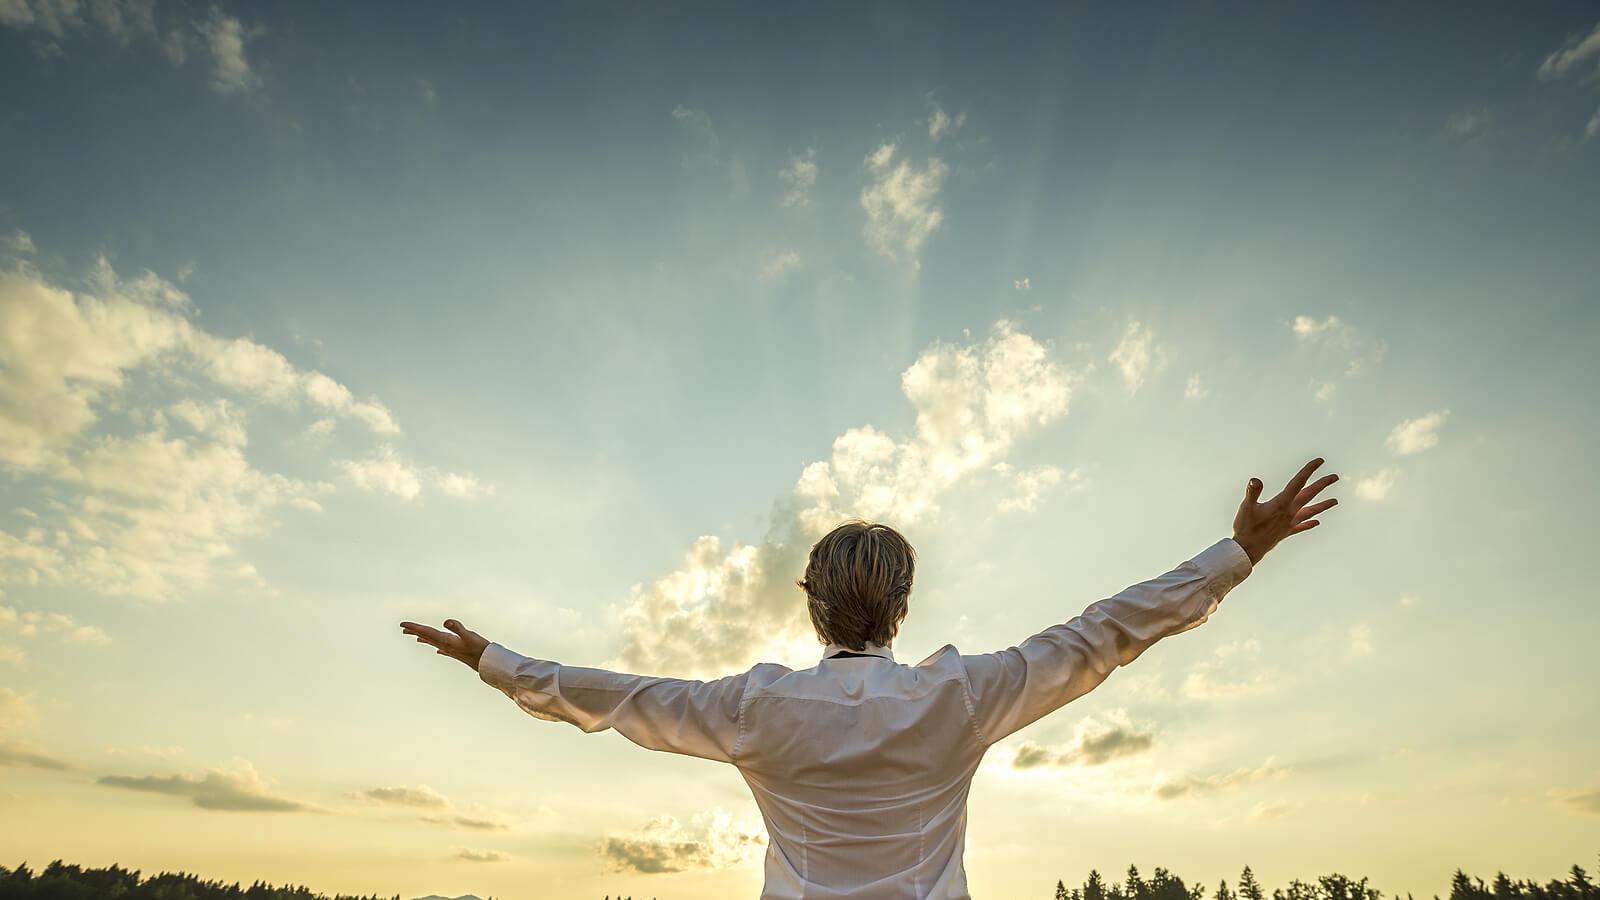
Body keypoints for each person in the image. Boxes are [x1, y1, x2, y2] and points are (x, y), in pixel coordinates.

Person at [401, 457, 1338, 899]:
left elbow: (613, 696)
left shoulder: (753, 709)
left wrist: (494, 662)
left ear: (812, 604)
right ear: (902, 606)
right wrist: (1232, 557)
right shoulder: (961, 696)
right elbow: (1105, 636)